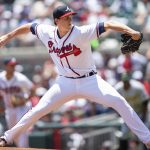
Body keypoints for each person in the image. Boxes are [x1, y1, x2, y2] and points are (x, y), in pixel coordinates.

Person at [0, 5, 150, 149]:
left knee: (119, 101)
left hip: (90, 81)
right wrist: (8, 36)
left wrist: (131, 31)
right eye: (66, 17)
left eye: (70, 16)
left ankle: (147, 139)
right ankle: (7, 137)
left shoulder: (81, 32)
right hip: (64, 83)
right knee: (38, 110)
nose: (70, 19)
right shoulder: (47, 32)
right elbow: (29, 26)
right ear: (56, 21)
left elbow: (109, 24)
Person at [0, 57, 35, 147]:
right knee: (12, 132)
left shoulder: (20, 78)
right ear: (6, 66)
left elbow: (32, 88)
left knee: (21, 130)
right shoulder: (1, 78)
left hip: (22, 107)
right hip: (9, 108)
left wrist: (26, 99)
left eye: (14, 65)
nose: (13, 67)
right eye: (11, 65)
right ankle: (20, 147)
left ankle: (23, 148)